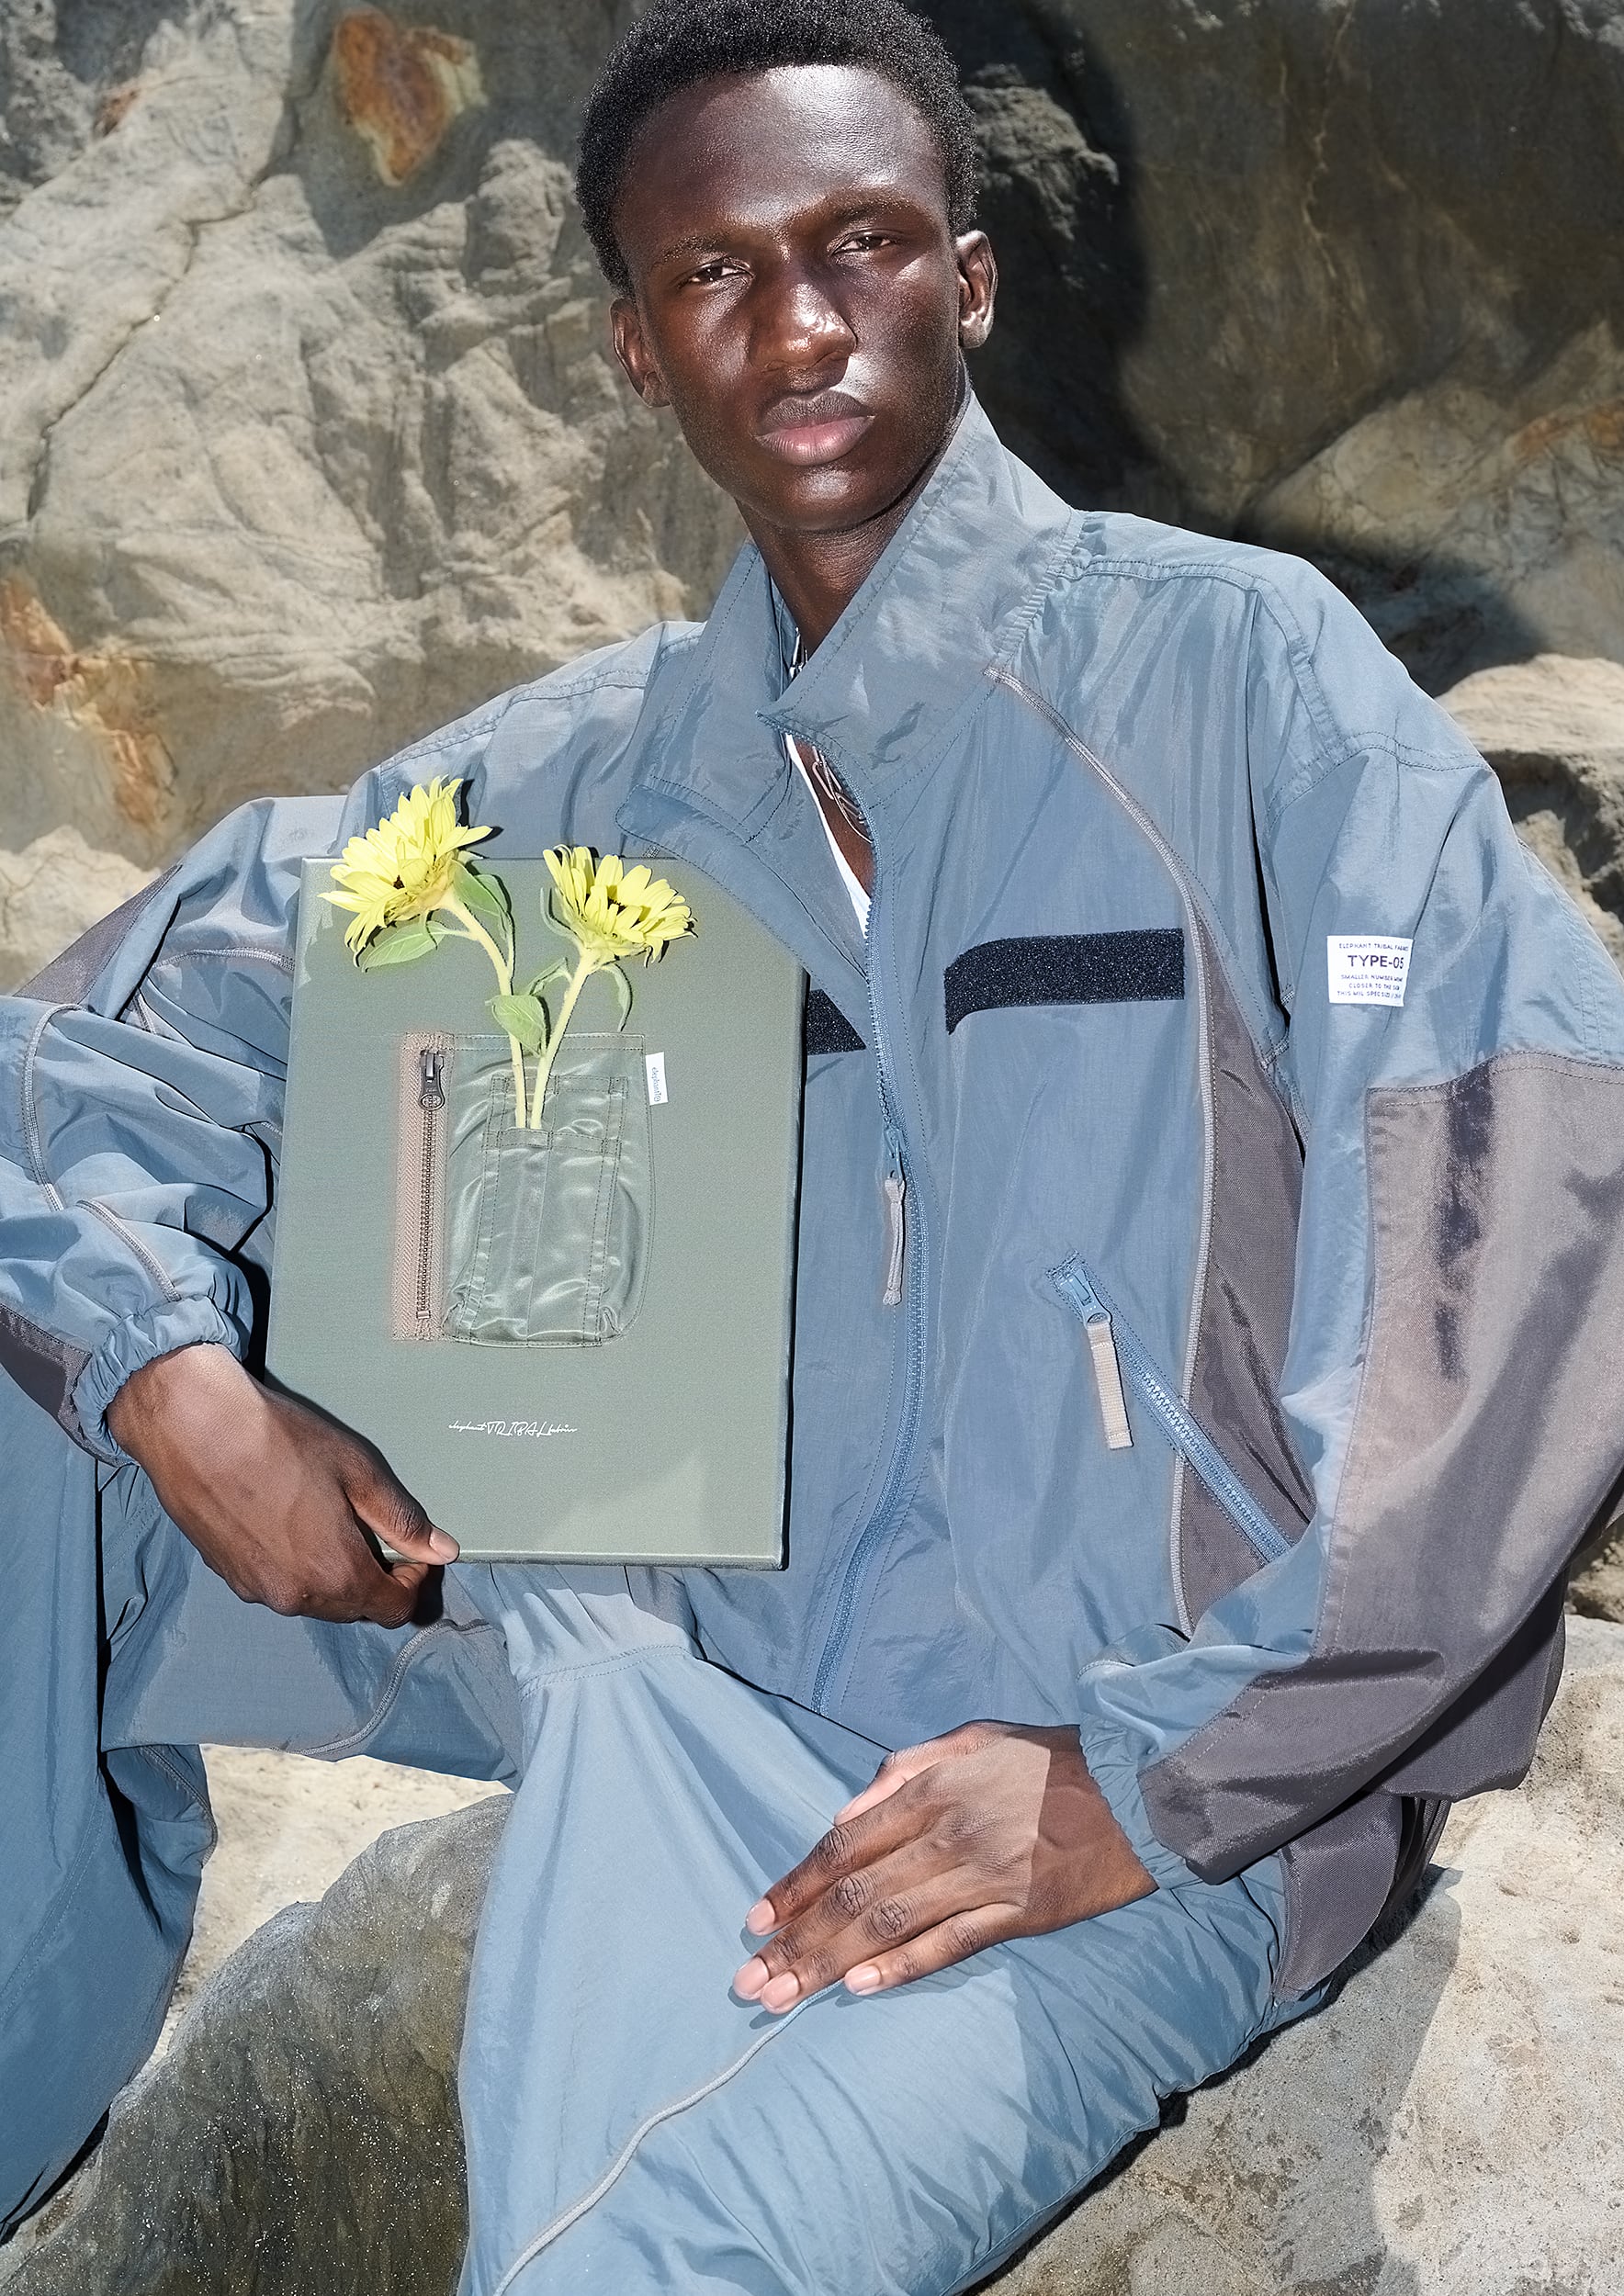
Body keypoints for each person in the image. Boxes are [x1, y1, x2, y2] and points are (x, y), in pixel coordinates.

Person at [5, 1, 1623, 2285]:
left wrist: (1148, 1774)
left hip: (1087, 1781)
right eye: (712, 272)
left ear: (967, 278)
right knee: (45, 1390)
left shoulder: (1234, 680)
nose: (794, 324)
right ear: (632, 350)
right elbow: (80, 1063)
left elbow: (1521, 1228)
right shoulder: (566, 777)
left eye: (857, 243)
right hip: (618, 1648)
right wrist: (175, 1376)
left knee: (649, 2257)